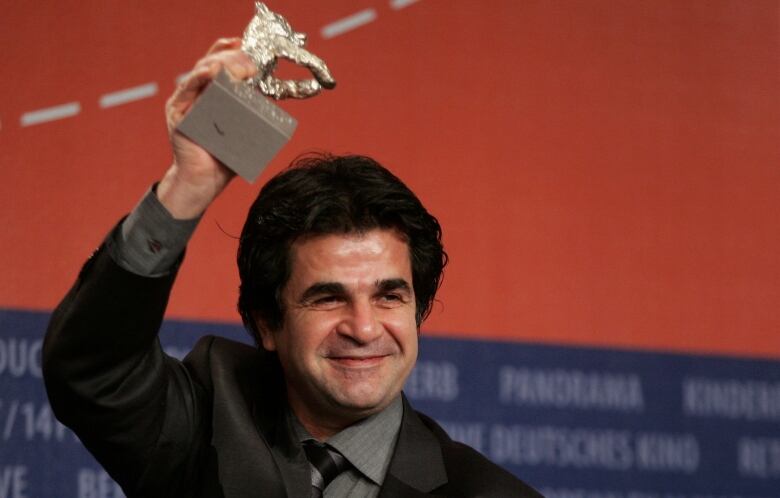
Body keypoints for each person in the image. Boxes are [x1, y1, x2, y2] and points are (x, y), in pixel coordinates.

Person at [43, 38, 541, 498]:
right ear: (267, 323)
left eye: (390, 296)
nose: (364, 328)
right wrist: (188, 186)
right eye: (328, 297)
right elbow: (94, 370)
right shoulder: (205, 425)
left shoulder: (486, 494)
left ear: (418, 310)